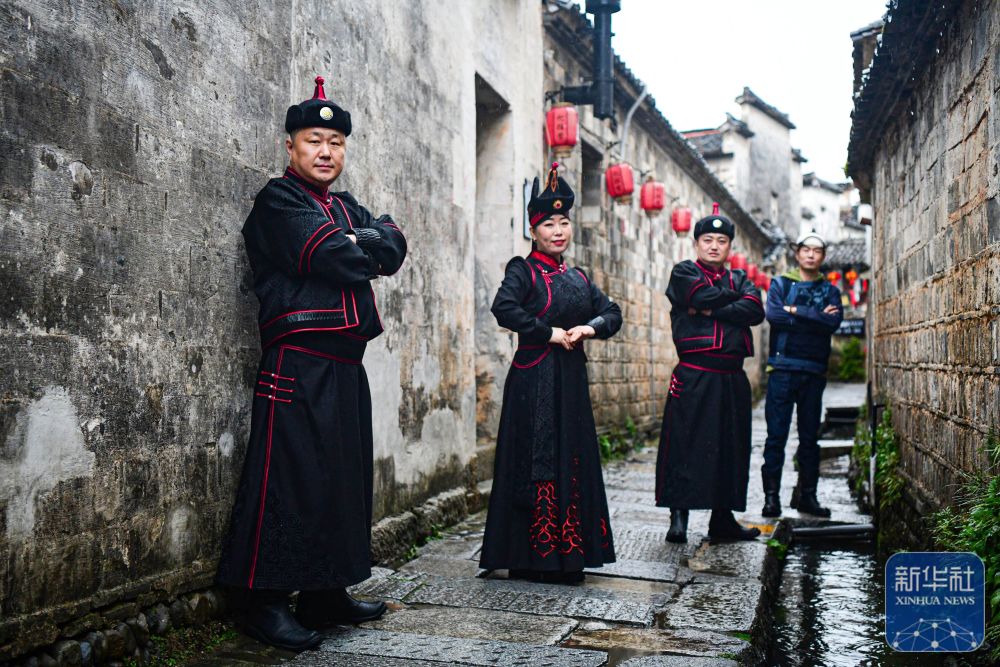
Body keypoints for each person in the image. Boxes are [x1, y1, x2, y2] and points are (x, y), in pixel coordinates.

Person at [216, 75, 407, 650]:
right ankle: (265, 602)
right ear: (291, 146)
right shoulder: (278, 200)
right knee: (289, 479)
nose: (326, 152)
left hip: (345, 364)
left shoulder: (344, 206)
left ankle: (326, 592)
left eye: (336, 143)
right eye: (314, 141)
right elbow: (332, 255)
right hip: (296, 365)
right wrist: (360, 242)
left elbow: (394, 244)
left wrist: (360, 239)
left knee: (342, 481)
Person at [479, 163, 621, 584]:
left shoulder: (578, 276)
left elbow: (612, 312)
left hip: (571, 382)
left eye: (563, 223)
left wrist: (589, 328)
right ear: (533, 230)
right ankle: (530, 558)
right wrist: (549, 333)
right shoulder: (522, 270)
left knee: (571, 458)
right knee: (533, 462)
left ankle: (568, 556)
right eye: (548, 224)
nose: (558, 231)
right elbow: (504, 308)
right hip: (534, 380)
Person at [655, 203, 764, 544]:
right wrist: (730, 302)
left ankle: (723, 519)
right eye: (707, 240)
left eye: (721, 241)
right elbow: (697, 294)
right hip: (694, 375)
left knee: (731, 446)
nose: (714, 246)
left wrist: (710, 309)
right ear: (697, 243)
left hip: (732, 376)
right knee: (684, 443)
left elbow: (755, 309)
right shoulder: (684, 272)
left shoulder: (740, 278)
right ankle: (678, 516)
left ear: (730, 246)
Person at [760, 232, 844, 518]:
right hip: (782, 368)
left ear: (823, 256)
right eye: (805, 249)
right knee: (776, 436)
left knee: (809, 438)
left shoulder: (830, 290)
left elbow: (832, 322)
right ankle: (771, 499)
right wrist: (815, 315)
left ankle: (808, 496)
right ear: (797, 253)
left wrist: (795, 310)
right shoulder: (781, 283)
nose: (810, 255)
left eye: (816, 251)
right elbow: (774, 316)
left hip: (813, 370)